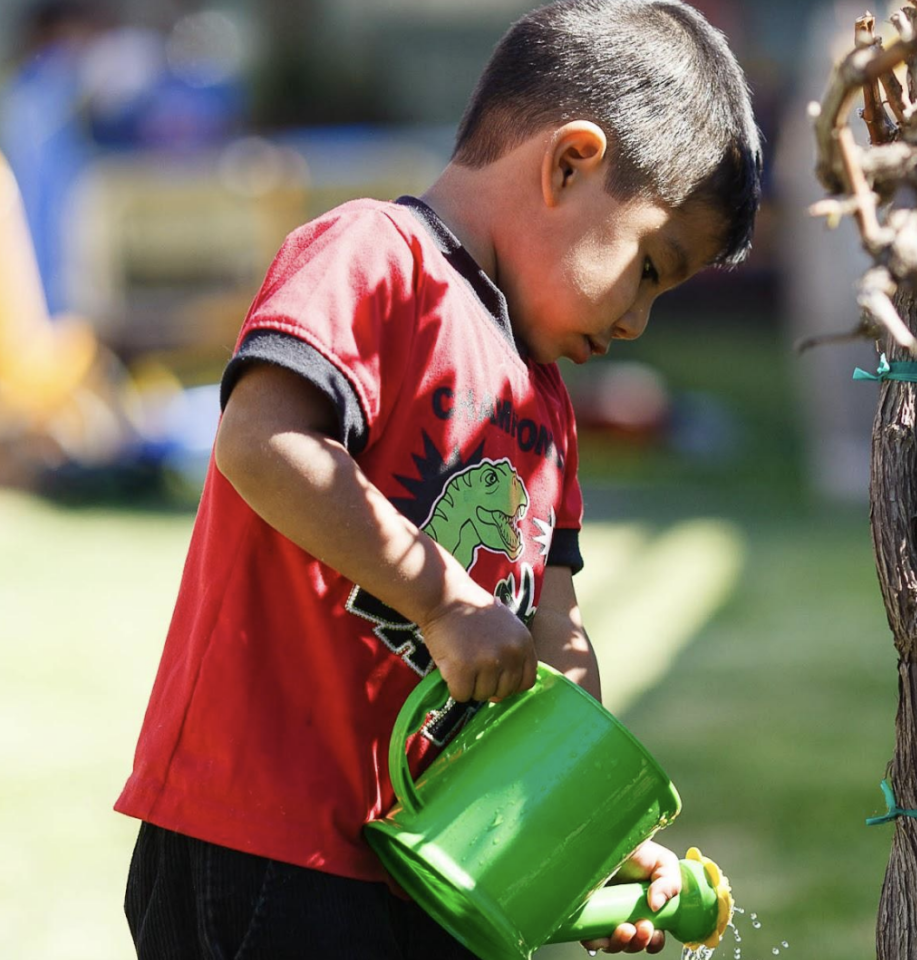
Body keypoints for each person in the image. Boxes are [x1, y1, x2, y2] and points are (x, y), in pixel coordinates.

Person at [114, 1, 762, 956]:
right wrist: (445, 601)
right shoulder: (377, 258)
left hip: (425, 858)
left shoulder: (546, 401)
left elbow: (555, 630)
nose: (637, 323)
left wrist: (584, 830)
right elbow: (261, 443)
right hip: (264, 839)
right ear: (570, 162)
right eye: (650, 269)